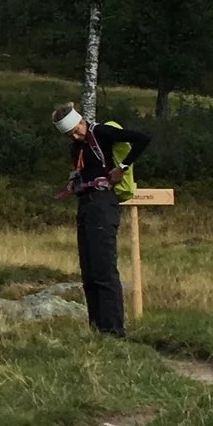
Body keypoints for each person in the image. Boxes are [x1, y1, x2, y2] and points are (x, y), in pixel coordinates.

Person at [55, 104, 150, 337]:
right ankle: (97, 329)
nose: (76, 136)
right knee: (88, 270)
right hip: (85, 204)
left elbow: (143, 139)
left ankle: (114, 330)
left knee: (104, 268)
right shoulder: (75, 148)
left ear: (81, 120)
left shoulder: (102, 132)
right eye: (70, 135)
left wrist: (122, 167)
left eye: (76, 130)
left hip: (103, 203)